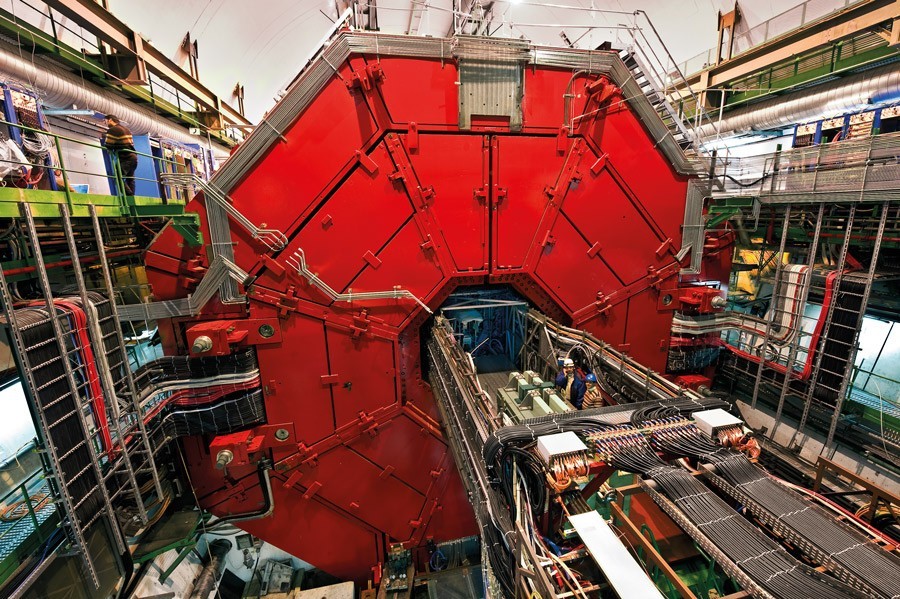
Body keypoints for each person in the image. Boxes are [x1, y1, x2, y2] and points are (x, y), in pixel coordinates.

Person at [102, 114, 137, 195]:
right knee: (130, 179)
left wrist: (106, 137)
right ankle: (132, 199)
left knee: (118, 178)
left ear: (110, 120)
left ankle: (129, 195)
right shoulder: (126, 129)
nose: (105, 123)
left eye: (105, 121)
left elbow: (108, 145)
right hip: (133, 156)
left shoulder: (113, 130)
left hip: (125, 157)